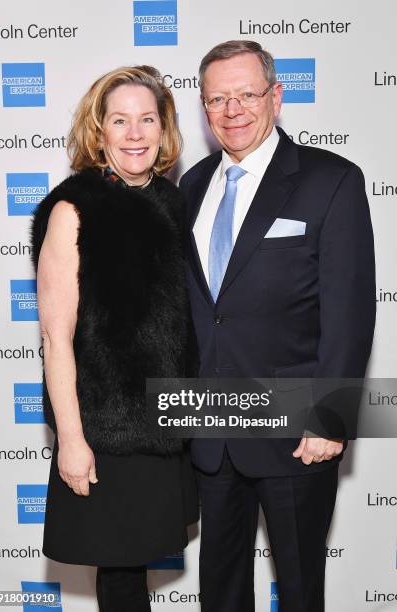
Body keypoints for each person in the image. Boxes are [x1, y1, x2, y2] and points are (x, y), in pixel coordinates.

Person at [179, 40, 376, 612]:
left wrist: (330, 417)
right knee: (219, 591)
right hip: (211, 430)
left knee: (297, 588)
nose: (232, 109)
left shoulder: (330, 179)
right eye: (218, 98)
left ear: (276, 97)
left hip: (296, 432)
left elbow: (350, 309)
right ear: (204, 106)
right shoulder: (191, 187)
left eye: (246, 94)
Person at [31, 65, 198, 612]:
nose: (135, 133)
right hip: (107, 432)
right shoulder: (73, 209)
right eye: (120, 120)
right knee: (122, 576)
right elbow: (56, 339)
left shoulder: (175, 204)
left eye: (147, 119)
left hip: (171, 423)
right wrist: (72, 441)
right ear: (97, 130)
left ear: (164, 128)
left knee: (142, 565)